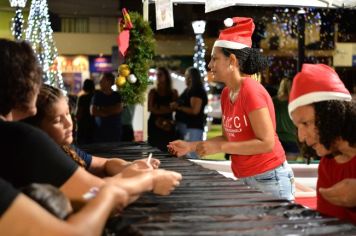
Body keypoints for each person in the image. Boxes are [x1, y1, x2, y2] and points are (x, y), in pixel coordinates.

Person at [0, 39, 182, 234]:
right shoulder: (21, 139)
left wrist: (127, 170)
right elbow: (93, 197)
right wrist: (144, 182)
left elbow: (99, 172)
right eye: (34, 74)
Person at [168, 17, 295, 201]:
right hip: (246, 177)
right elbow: (229, 137)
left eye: (214, 59)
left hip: (269, 178)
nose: (210, 65)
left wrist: (220, 146)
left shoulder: (250, 90)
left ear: (232, 60)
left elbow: (266, 143)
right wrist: (190, 146)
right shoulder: (227, 93)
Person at [24, 84, 161, 176]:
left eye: (67, 114)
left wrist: (129, 166)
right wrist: (134, 175)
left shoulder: (65, 149)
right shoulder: (45, 160)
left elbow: (105, 163)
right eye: (57, 120)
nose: (68, 123)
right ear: (36, 127)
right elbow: (95, 191)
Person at [288, 63, 356, 223]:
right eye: (298, 127)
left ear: (332, 114)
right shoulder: (328, 166)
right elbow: (330, 227)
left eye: (305, 123)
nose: (301, 137)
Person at [170, 66, 208, 159]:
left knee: (191, 156)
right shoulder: (189, 90)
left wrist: (178, 107)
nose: (185, 78)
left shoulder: (196, 90)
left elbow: (195, 110)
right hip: (187, 127)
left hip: (192, 128)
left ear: (191, 78)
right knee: (185, 156)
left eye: (186, 76)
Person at [148, 67, 178, 151]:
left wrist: (159, 108)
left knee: (167, 148)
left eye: (160, 74)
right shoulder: (153, 91)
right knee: (154, 149)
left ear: (166, 76)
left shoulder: (173, 92)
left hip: (168, 124)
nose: (158, 76)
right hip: (154, 124)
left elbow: (175, 108)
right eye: (157, 75)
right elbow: (150, 108)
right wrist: (166, 109)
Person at [90, 72, 123, 143]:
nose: (100, 82)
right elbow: (93, 111)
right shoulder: (97, 96)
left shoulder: (117, 95)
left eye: (102, 80)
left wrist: (102, 110)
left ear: (109, 82)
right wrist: (111, 109)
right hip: (100, 134)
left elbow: (118, 109)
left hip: (114, 133)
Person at [272, 78, 299, 161]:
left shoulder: (273, 101)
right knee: (290, 168)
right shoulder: (295, 103)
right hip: (292, 140)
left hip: (276, 140)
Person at [76, 79, 96, 145]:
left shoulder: (82, 98)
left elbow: (79, 112)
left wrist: (77, 121)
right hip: (94, 123)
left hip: (83, 124)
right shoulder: (96, 96)